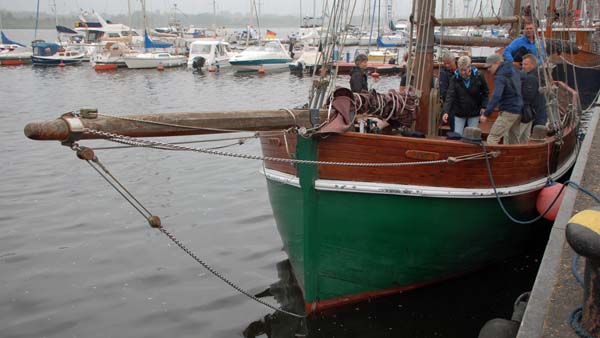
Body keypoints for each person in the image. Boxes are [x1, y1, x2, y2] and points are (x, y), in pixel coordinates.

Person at [480, 54, 525, 145]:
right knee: (513, 139)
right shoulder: (513, 69)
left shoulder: (500, 76)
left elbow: (496, 96)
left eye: (490, 66)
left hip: (508, 110)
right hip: (518, 109)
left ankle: (491, 159)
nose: (488, 69)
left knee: (493, 137)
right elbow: (523, 79)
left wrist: (486, 114)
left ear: (497, 63)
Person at [441, 56, 489, 136]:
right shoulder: (454, 78)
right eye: (460, 70)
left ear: (469, 67)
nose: (462, 72)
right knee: (457, 136)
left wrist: (484, 106)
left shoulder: (479, 76)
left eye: (465, 70)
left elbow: (485, 92)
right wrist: (446, 111)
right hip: (459, 112)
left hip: (474, 112)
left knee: (472, 136)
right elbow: (450, 95)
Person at [517, 53, 548, 142]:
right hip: (539, 112)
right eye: (522, 64)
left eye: (525, 64)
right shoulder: (539, 75)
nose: (523, 67)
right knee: (526, 137)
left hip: (533, 114)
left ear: (533, 65)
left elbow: (527, 97)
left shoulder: (530, 78)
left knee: (519, 135)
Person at [439, 51, 458, 131]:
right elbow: (444, 92)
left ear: (454, 61)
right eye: (445, 64)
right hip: (452, 106)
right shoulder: (444, 74)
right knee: (455, 128)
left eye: (449, 63)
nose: (447, 66)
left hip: (464, 106)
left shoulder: (461, 71)